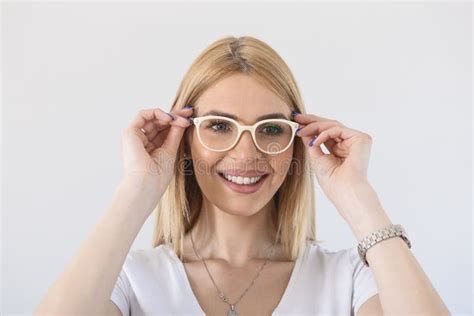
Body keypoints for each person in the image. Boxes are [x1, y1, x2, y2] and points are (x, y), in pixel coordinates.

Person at [35, 36, 450, 316]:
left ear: (294, 142)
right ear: (184, 138)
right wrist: (137, 191)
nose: (247, 152)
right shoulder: (129, 280)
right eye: (219, 126)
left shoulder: (350, 279)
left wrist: (359, 198)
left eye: (271, 129)